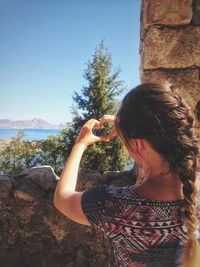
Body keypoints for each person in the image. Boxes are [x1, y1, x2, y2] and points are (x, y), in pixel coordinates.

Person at [54, 83, 200, 267]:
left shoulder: (114, 206)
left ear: (138, 144)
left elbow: (62, 199)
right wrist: (125, 125)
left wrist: (79, 145)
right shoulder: (194, 189)